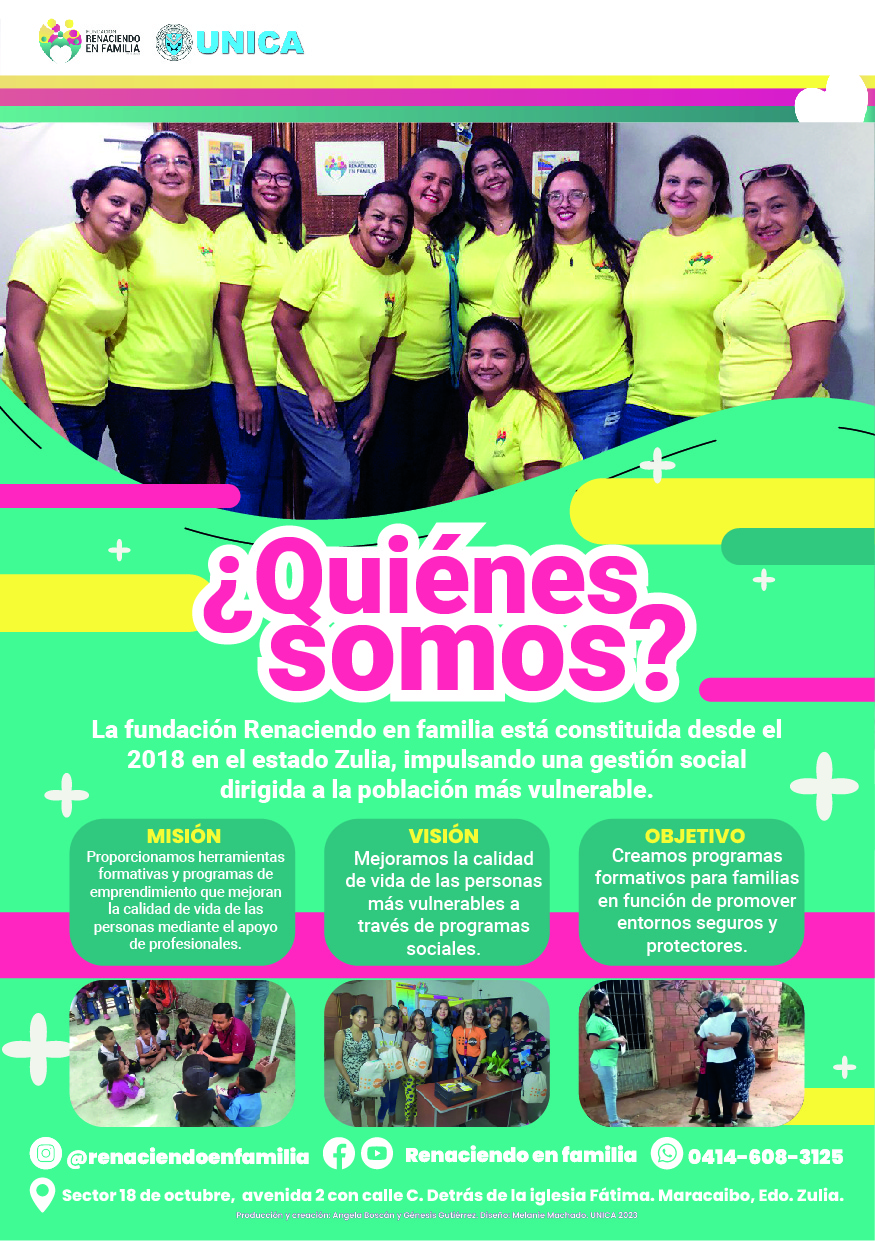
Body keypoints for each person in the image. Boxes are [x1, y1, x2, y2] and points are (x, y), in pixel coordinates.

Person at [273, 180, 410, 520]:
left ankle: (337, 556)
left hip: (356, 394)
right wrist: (315, 389)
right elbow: (283, 323)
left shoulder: (395, 277)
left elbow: (385, 350)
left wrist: (375, 411)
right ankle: (312, 563)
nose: (386, 227)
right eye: (378, 216)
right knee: (334, 481)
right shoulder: (323, 254)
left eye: (397, 221)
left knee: (350, 483)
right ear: (360, 218)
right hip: (306, 390)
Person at [621, 135, 762, 443]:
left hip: (713, 408)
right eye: (672, 181)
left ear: (716, 189)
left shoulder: (741, 235)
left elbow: (794, 278)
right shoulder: (649, 244)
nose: (681, 192)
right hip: (642, 408)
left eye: (696, 182)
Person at [2, 166, 150, 456]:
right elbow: (18, 339)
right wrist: (46, 421)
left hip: (93, 405)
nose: (126, 214)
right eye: (116, 202)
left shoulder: (117, 257)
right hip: (44, 404)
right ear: (87, 200)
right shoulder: (47, 246)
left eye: (137, 209)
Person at [492, 160, 631, 458]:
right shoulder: (521, 258)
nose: (564, 203)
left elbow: (638, 322)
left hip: (604, 393)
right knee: (541, 488)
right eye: (554, 196)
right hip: (538, 394)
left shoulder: (618, 254)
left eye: (576, 195)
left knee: (590, 488)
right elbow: (503, 337)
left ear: (592, 203)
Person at [107, 130, 219, 483]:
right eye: (160, 161)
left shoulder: (204, 232)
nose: (171, 170)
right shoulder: (130, 227)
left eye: (181, 162)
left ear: (193, 174)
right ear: (144, 171)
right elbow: (84, 269)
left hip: (197, 386)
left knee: (187, 491)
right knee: (146, 493)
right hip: (139, 387)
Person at [361, 147, 464, 514]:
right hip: (392, 380)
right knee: (384, 480)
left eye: (446, 182)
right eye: (429, 177)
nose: (436, 187)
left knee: (420, 478)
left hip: (437, 381)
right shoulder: (389, 233)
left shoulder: (445, 240)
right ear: (410, 181)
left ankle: (408, 558)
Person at [211, 147, 304, 516]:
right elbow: (228, 316)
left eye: (282, 178)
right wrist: (246, 389)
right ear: (249, 182)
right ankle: (235, 566)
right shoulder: (237, 232)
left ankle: (268, 563)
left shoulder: (294, 235)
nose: (273, 185)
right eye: (263, 175)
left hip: (284, 379)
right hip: (244, 378)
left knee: (277, 478)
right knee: (246, 479)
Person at [714, 164, 843, 406]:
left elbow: (810, 370)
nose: (763, 221)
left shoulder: (811, 266)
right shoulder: (760, 270)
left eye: (777, 207)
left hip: (782, 425)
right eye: (752, 211)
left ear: (806, 209)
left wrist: (765, 428)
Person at [455, 315, 581, 498]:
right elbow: (481, 472)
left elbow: (542, 493)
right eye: (477, 354)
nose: (486, 364)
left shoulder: (535, 407)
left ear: (519, 362)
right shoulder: (477, 406)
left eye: (498, 354)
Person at [457, 136, 536, 340]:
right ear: (473, 183)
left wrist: (629, 254)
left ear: (513, 171)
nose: (492, 175)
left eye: (499, 166)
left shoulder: (544, 222)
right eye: (481, 171)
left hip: (532, 354)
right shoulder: (458, 228)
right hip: (472, 358)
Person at [585, 988, 630, 1128]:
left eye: (608, 1001)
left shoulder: (604, 1019)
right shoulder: (594, 1022)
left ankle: (615, 1118)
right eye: (605, 1002)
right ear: (596, 1005)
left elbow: (608, 1037)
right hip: (603, 1062)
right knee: (610, 1093)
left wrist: (619, 1039)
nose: (608, 1004)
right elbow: (593, 1044)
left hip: (608, 1061)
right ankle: (614, 1123)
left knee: (612, 1091)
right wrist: (614, 1040)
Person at [334, 1003, 382, 1127]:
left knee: (370, 1110)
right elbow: (338, 1060)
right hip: (350, 1077)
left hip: (368, 1077)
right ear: (351, 1016)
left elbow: (372, 1056)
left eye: (365, 1017)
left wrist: (380, 1074)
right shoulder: (341, 1034)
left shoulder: (369, 1034)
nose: (362, 1020)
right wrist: (349, 1082)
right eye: (359, 1016)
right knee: (355, 1110)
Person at [698, 998, 740, 1127]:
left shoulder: (705, 1023)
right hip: (726, 1061)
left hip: (711, 1062)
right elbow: (744, 1013)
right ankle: (727, 1121)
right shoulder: (727, 1017)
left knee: (712, 1091)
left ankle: (714, 1120)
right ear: (722, 1009)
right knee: (727, 1091)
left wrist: (707, 1043)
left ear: (709, 1010)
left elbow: (696, 1042)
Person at [508, 1011, 549, 1126]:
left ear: (524, 1023)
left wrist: (535, 1057)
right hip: (514, 1074)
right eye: (512, 1023)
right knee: (517, 1099)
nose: (514, 1026)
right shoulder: (511, 1038)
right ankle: (523, 1120)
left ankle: (524, 1123)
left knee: (523, 1098)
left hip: (528, 1073)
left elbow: (546, 1049)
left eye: (517, 1023)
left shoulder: (534, 1035)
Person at [197, 1001, 256, 1077]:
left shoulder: (238, 1032)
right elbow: (209, 1037)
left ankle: (211, 1063)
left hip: (242, 1057)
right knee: (200, 1046)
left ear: (230, 1020)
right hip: (225, 1049)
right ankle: (213, 1065)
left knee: (226, 1070)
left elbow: (236, 1059)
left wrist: (213, 1059)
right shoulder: (217, 1022)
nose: (216, 1025)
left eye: (220, 1022)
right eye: (214, 1021)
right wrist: (201, 1049)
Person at [723, 992, 755, 1122]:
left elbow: (734, 1040)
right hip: (746, 1059)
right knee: (742, 1087)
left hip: (742, 1062)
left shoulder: (736, 1022)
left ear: (735, 1007)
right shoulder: (737, 1018)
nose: (725, 1009)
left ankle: (732, 1117)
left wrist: (714, 1040)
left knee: (736, 1089)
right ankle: (747, 1111)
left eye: (728, 1006)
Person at [402, 1008, 434, 1127]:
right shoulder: (408, 1035)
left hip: (422, 1072)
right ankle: (407, 1121)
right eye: (416, 1020)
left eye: (421, 1019)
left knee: (419, 1098)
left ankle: (416, 1119)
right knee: (410, 1099)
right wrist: (408, 1070)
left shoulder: (429, 1035)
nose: (419, 1022)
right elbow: (403, 1054)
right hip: (409, 1073)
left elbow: (431, 1054)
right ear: (413, 1021)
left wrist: (430, 1069)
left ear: (424, 1021)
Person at [375, 1005, 405, 1127]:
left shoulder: (400, 1034)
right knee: (385, 1101)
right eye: (389, 1016)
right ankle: (380, 1125)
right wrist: (378, 1050)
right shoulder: (376, 1031)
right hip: (381, 1072)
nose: (391, 1020)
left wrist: (401, 1050)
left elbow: (403, 1051)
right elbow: (371, 1051)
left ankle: (390, 1124)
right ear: (384, 1017)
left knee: (394, 1098)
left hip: (395, 1071)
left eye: (394, 1017)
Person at [172, 1054, 216, 1127]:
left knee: (178, 1113)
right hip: (204, 1121)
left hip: (187, 1125)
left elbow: (176, 1108)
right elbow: (214, 1101)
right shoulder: (212, 1093)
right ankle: (213, 1116)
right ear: (207, 1083)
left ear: (183, 1082)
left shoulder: (177, 1098)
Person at [95, 1025, 140, 1091]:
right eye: (111, 1038)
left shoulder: (115, 1044)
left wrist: (126, 1059)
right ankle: (109, 1080)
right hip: (115, 1069)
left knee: (138, 1067)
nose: (114, 1039)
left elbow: (120, 1052)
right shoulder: (102, 1053)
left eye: (114, 1036)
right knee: (131, 1075)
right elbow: (105, 1067)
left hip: (122, 1061)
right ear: (102, 1041)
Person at [453, 1004, 486, 1079]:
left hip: (475, 1061)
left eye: (472, 1014)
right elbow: (454, 1050)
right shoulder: (457, 1029)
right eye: (467, 1013)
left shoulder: (480, 1030)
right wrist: (460, 1066)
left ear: (474, 1016)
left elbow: (483, 1050)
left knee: (474, 1085)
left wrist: (476, 1066)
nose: (469, 1016)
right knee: (461, 1085)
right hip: (460, 1060)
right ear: (463, 1014)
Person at [430, 999, 454, 1083]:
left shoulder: (449, 1026)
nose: (443, 1011)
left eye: (445, 1009)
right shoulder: (429, 1023)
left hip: (445, 1060)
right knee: (432, 1085)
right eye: (440, 1008)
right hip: (433, 1060)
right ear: (435, 1010)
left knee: (443, 1083)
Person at [688, 1034, 710, 1122]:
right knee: (706, 1093)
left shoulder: (699, 1045)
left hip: (702, 1070)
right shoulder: (706, 1043)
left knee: (699, 1092)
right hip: (707, 1071)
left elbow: (701, 1057)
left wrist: (701, 1057)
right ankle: (706, 1114)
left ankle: (693, 1111)